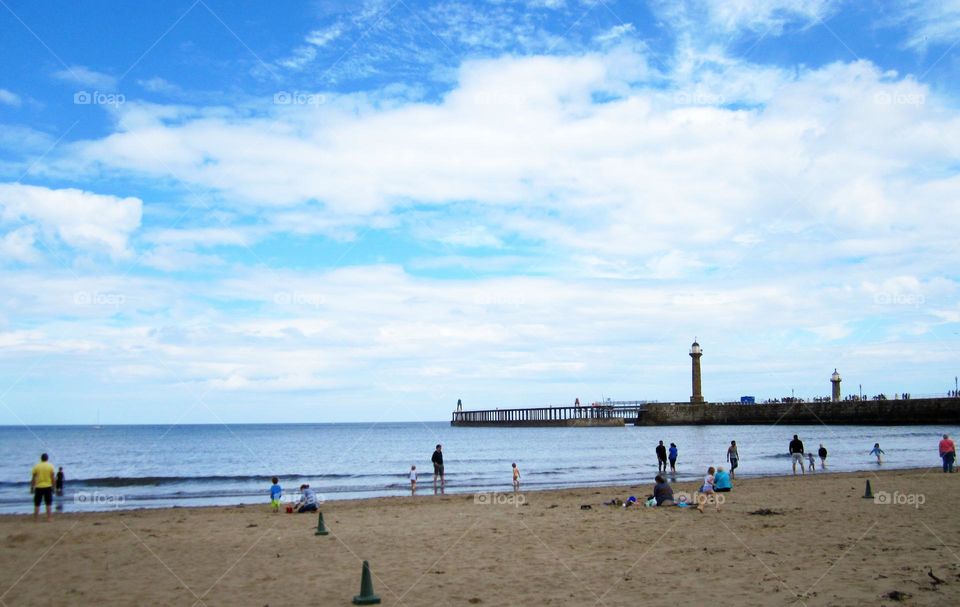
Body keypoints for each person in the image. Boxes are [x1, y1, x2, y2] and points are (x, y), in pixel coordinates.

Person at [31, 453, 55, 522]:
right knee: (48, 503)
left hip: (38, 487)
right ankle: (49, 518)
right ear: (47, 458)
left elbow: (33, 478)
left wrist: (32, 487)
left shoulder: (36, 466)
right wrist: (54, 487)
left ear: (41, 459)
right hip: (48, 486)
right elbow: (53, 478)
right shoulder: (50, 466)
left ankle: (36, 519)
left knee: (37, 504)